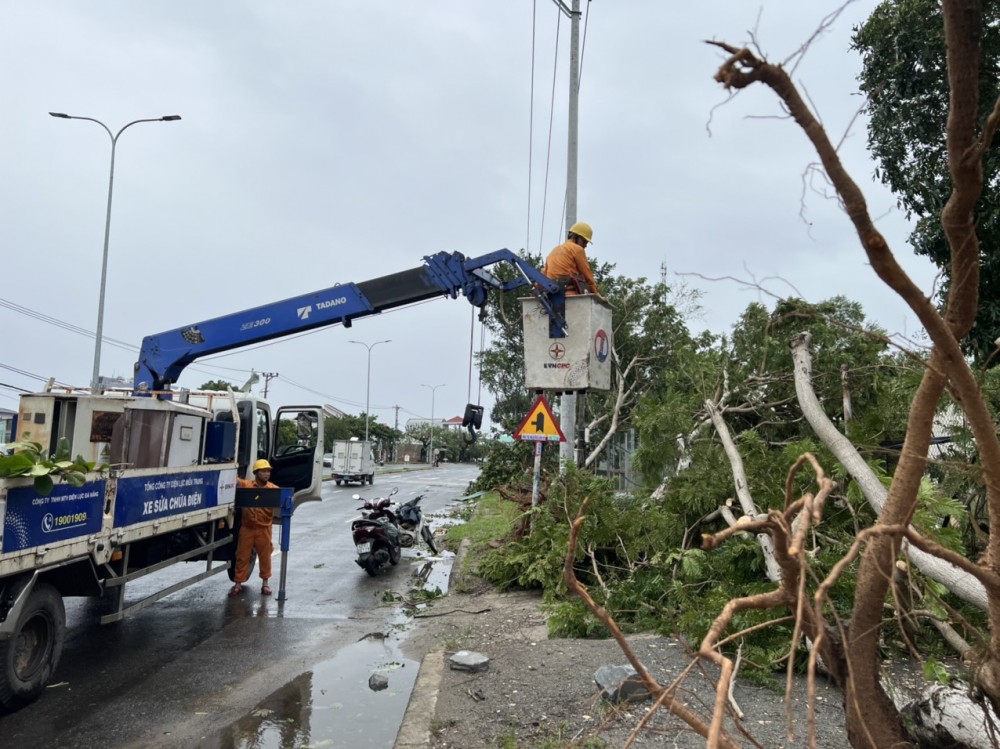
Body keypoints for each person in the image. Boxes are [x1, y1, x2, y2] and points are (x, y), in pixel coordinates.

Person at [229, 458, 278, 597]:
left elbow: (283, 500)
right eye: (263, 471)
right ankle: (238, 584)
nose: (267, 474)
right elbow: (236, 480)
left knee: (265, 557)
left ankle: (265, 584)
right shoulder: (247, 485)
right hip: (248, 528)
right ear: (256, 473)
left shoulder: (273, 489)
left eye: (268, 471)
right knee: (242, 556)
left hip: (264, 529)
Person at [542, 221, 607, 303]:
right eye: (584, 242)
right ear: (576, 237)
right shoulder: (577, 249)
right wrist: (597, 295)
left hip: (551, 297)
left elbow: (543, 275)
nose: (585, 246)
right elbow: (587, 276)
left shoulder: (553, 251)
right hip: (570, 297)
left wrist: (535, 289)